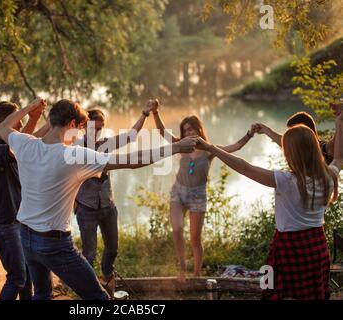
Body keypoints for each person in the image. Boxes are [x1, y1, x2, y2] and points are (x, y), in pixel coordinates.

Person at [0, 99, 196, 300]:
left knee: (41, 293)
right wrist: (176, 148)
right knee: (98, 298)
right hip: (53, 243)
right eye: (80, 127)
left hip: (26, 237)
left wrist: (30, 108)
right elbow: (132, 161)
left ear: (52, 120)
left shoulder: (24, 143)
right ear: (72, 125)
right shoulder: (73, 155)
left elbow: (3, 127)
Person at [193, 112, 343, 300]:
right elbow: (339, 157)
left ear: (292, 154)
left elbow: (244, 167)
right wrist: (339, 123)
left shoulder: (286, 180)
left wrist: (210, 147)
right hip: (316, 247)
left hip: (288, 248)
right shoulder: (329, 176)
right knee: (314, 295)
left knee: (273, 290)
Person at [151, 100, 256, 280]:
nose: (188, 133)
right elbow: (162, 132)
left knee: (195, 238)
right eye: (185, 130)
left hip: (198, 195)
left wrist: (249, 133)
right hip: (178, 192)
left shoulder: (209, 150)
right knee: (176, 229)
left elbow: (235, 147)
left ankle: (197, 273)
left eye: (191, 129)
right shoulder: (180, 145)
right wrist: (155, 112)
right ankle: (182, 269)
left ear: (199, 130)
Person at [74, 101, 157, 296]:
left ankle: (107, 278)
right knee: (89, 254)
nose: (97, 132)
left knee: (112, 249)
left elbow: (131, 136)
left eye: (100, 128)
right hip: (87, 208)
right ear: (84, 127)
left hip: (108, 206)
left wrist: (144, 113)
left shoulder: (106, 145)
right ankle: (89, 291)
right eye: (93, 128)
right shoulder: (75, 148)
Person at [0, 99, 45, 300]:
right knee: (17, 278)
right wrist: (29, 109)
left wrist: (35, 117)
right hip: (3, 223)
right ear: (2, 123)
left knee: (27, 278)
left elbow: (25, 140)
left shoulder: (10, 144)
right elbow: (19, 143)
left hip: (18, 221)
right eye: (17, 121)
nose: (20, 126)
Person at [253, 110, 337, 164]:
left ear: (304, 131)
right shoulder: (298, 148)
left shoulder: (324, 149)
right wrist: (265, 129)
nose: (290, 136)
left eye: (292, 132)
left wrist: (340, 119)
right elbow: (282, 141)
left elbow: (337, 140)